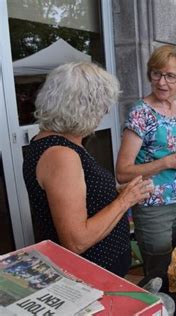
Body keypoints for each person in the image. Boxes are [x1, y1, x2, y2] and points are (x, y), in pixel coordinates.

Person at [22, 62, 153, 277]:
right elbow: (76, 241)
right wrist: (125, 201)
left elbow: (83, 198)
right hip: (90, 276)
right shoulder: (60, 154)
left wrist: (118, 193)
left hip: (99, 270)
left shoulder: (52, 142)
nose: (103, 114)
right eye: (101, 108)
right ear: (83, 109)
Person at [115, 45, 176, 279]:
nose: (161, 82)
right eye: (156, 73)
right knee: (160, 273)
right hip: (154, 208)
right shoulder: (140, 114)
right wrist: (166, 162)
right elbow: (122, 172)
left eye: (170, 76)